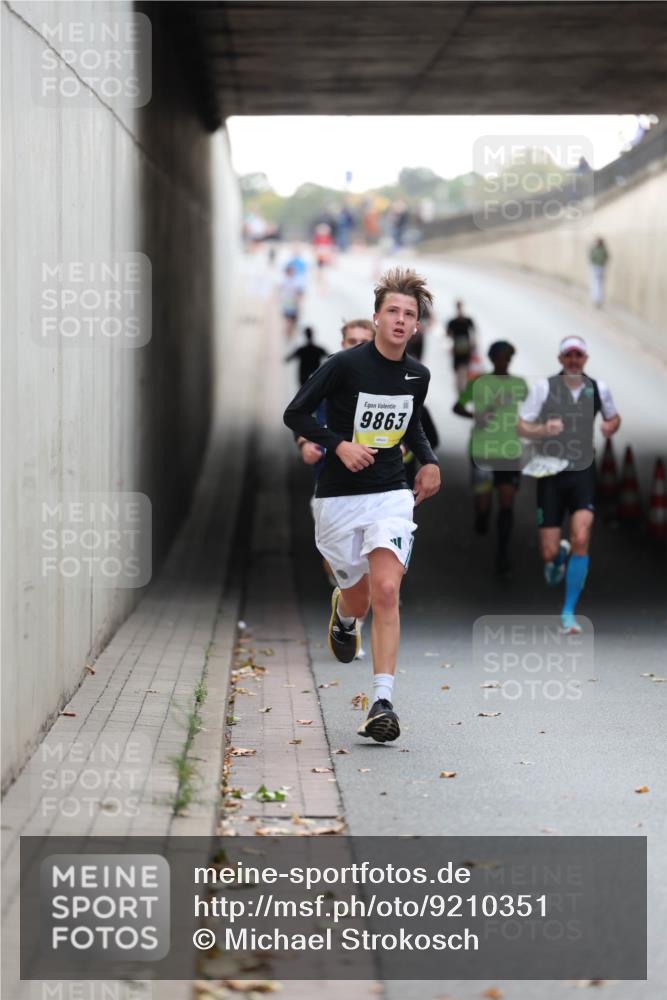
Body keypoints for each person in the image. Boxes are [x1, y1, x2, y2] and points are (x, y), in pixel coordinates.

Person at [284, 268, 441, 742]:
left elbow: (411, 425)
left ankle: (382, 701)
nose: (399, 319)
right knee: (358, 595)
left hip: (391, 493)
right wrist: (338, 445)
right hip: (338, 497)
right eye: (392, 311)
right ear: (376, 318)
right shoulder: (344, 365)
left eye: (408, 314)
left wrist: (429, 461)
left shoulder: (418, 375)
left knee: (387, 589)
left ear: (416, 327)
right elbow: (296, 413)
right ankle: (345, 613)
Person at [517, 335, 621, 633]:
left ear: (585, 358)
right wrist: (543, 429)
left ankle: (568, 613)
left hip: (583, 473)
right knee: (549, 555)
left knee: (581, 536)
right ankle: (557, 556)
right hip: (550, 474)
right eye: (569, 355)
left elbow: (614, 418)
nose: (574, 360)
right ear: (561, 359)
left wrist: (609, 426)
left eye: (579, 355)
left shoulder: (598, 388)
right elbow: (522, 425)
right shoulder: (544, 388)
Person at [453, 341, 528, 576]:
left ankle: (503, 552)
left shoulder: (519, 385)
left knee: (507, 499)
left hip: (509, 449)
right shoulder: (479, 382)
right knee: (484, 503)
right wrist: (477, 415)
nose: (503, 361)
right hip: (482, 448)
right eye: (499, 357)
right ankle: (482, 515)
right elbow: (458, 406)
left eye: (507, 357)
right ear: (492, 358)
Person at [446, 301, 477, 392]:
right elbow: (448, 334)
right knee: (458, 368)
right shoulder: (453, 322)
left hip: (465, 348)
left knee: (463, 367)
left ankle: (462, 387)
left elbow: (473, 333)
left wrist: (473, 344)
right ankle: (461, 387)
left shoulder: (467, 320)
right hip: (457, 348)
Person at [280, 263, 304, 339]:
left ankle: (288, 332)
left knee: (291, 319)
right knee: (289, 319)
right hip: (288, 302)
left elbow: (299, 292)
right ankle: (288, 333)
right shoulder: (285, 280)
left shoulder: (294, 280)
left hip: (292, 301)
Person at [588, 238, 610, 308]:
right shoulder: (597, 249)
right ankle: (597, 300)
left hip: (600, 268)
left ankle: (598, 300)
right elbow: (591, 257)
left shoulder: (603, 249)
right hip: (596, 268)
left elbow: (606, 257)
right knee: (596, 284)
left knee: (598, 285)